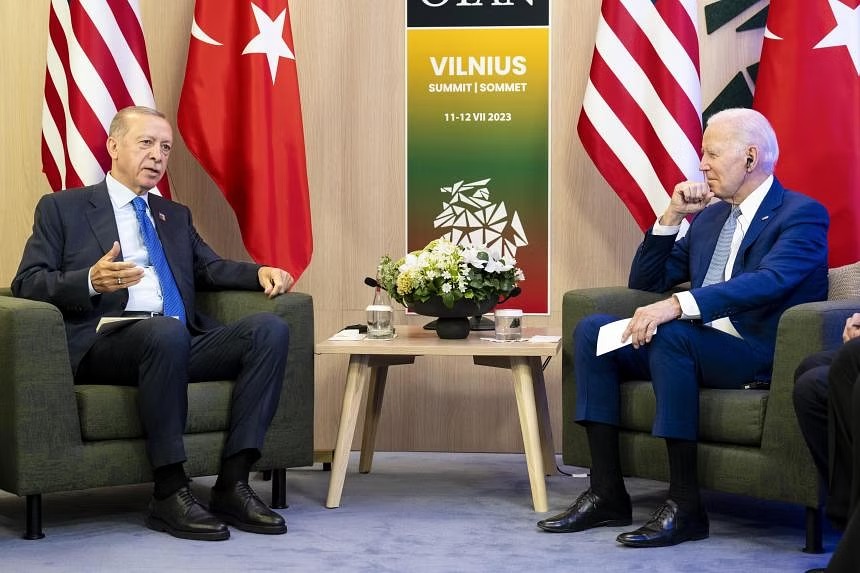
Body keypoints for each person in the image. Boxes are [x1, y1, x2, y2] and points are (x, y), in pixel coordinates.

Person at [537, 108, 829, 547]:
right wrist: (672, 216)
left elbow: (770, 280)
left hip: (751, 351)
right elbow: (645, 282)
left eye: (712, 154)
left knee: (673, 334)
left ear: (750, 157)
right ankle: (606, 493)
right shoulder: (708, 219)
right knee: (595, 332)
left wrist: (677, 305)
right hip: (692, 344)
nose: (702, 165)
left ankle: (685, 505)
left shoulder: (801, 214)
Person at [12, 106, 294, 542]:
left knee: (268, 330)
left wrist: (259, 272)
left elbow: (208, 268)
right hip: (107, 342)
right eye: (146, 143)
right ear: (113, 146)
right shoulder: (63, 208)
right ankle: (169, 490)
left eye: (165, 148)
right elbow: (28, 281)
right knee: (164, 332)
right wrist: (89, 281)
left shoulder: (173, 215)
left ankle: (233, 484)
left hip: (178, 338)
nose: (158, 155)